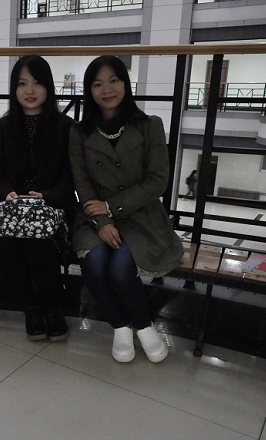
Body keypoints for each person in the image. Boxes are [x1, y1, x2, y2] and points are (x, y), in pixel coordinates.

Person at [68, 55, 183, 364]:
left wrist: (112, 205)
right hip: (94, 216)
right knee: (95, 264)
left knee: (119, 269)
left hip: (141, 214)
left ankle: (143, 326)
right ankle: (120, 326)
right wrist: (103, 219)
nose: (107, 89)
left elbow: (158, 181)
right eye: (97, 84)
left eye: (114, 80)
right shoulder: (79, 132)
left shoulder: (149, 125)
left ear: (125, 83)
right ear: (89, 90)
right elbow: (83, 184)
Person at [0, 55, 75, 341]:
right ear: (14, 89)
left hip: (54, 210)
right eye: (22, 84)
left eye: (37, 83)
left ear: (49, 86)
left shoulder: (65, 127)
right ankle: (31, 307)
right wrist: (6, 193)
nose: (30, 90)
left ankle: (51, 307)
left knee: (39, 241)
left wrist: (46, 196)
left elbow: (71, 176)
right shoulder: (2, 128)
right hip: (13, 210)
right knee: (6, 240)